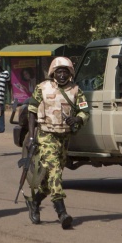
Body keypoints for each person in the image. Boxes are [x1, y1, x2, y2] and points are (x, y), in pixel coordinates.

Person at [25, 57, 89, 229]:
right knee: (54, 172)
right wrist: (31, 137)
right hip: (46, 136)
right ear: (53, 72)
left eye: (65, 72)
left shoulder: (76, 90)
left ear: (70, 73)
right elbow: (31, 111)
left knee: (50, 181)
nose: (62, 75)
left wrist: (77, 119)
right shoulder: (42, 88)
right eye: (59, 71)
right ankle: (62, 213)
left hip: (64, 138)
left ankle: (34, 202)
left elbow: (85, 111)